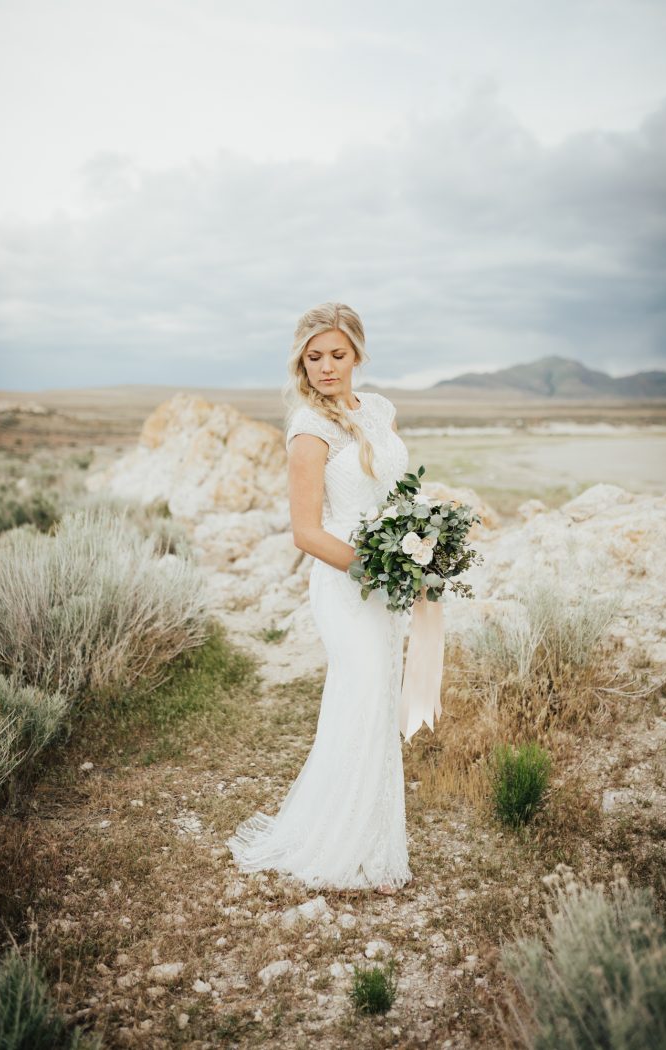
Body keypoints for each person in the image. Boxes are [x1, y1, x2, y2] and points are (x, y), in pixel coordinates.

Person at [226, 301, 414, 895]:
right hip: (346, 581)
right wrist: (377, 568)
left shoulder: (380, 411)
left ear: (357, 353)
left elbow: (395, 489)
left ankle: (374, 842)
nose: (327, 368)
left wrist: (420, 540)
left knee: (379, 699)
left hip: (390, 577)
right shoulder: (310, 430)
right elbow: (307, 532)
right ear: (301, 363)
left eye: (337, 354)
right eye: (314, 358)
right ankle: (342, 849)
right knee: (359, 694)